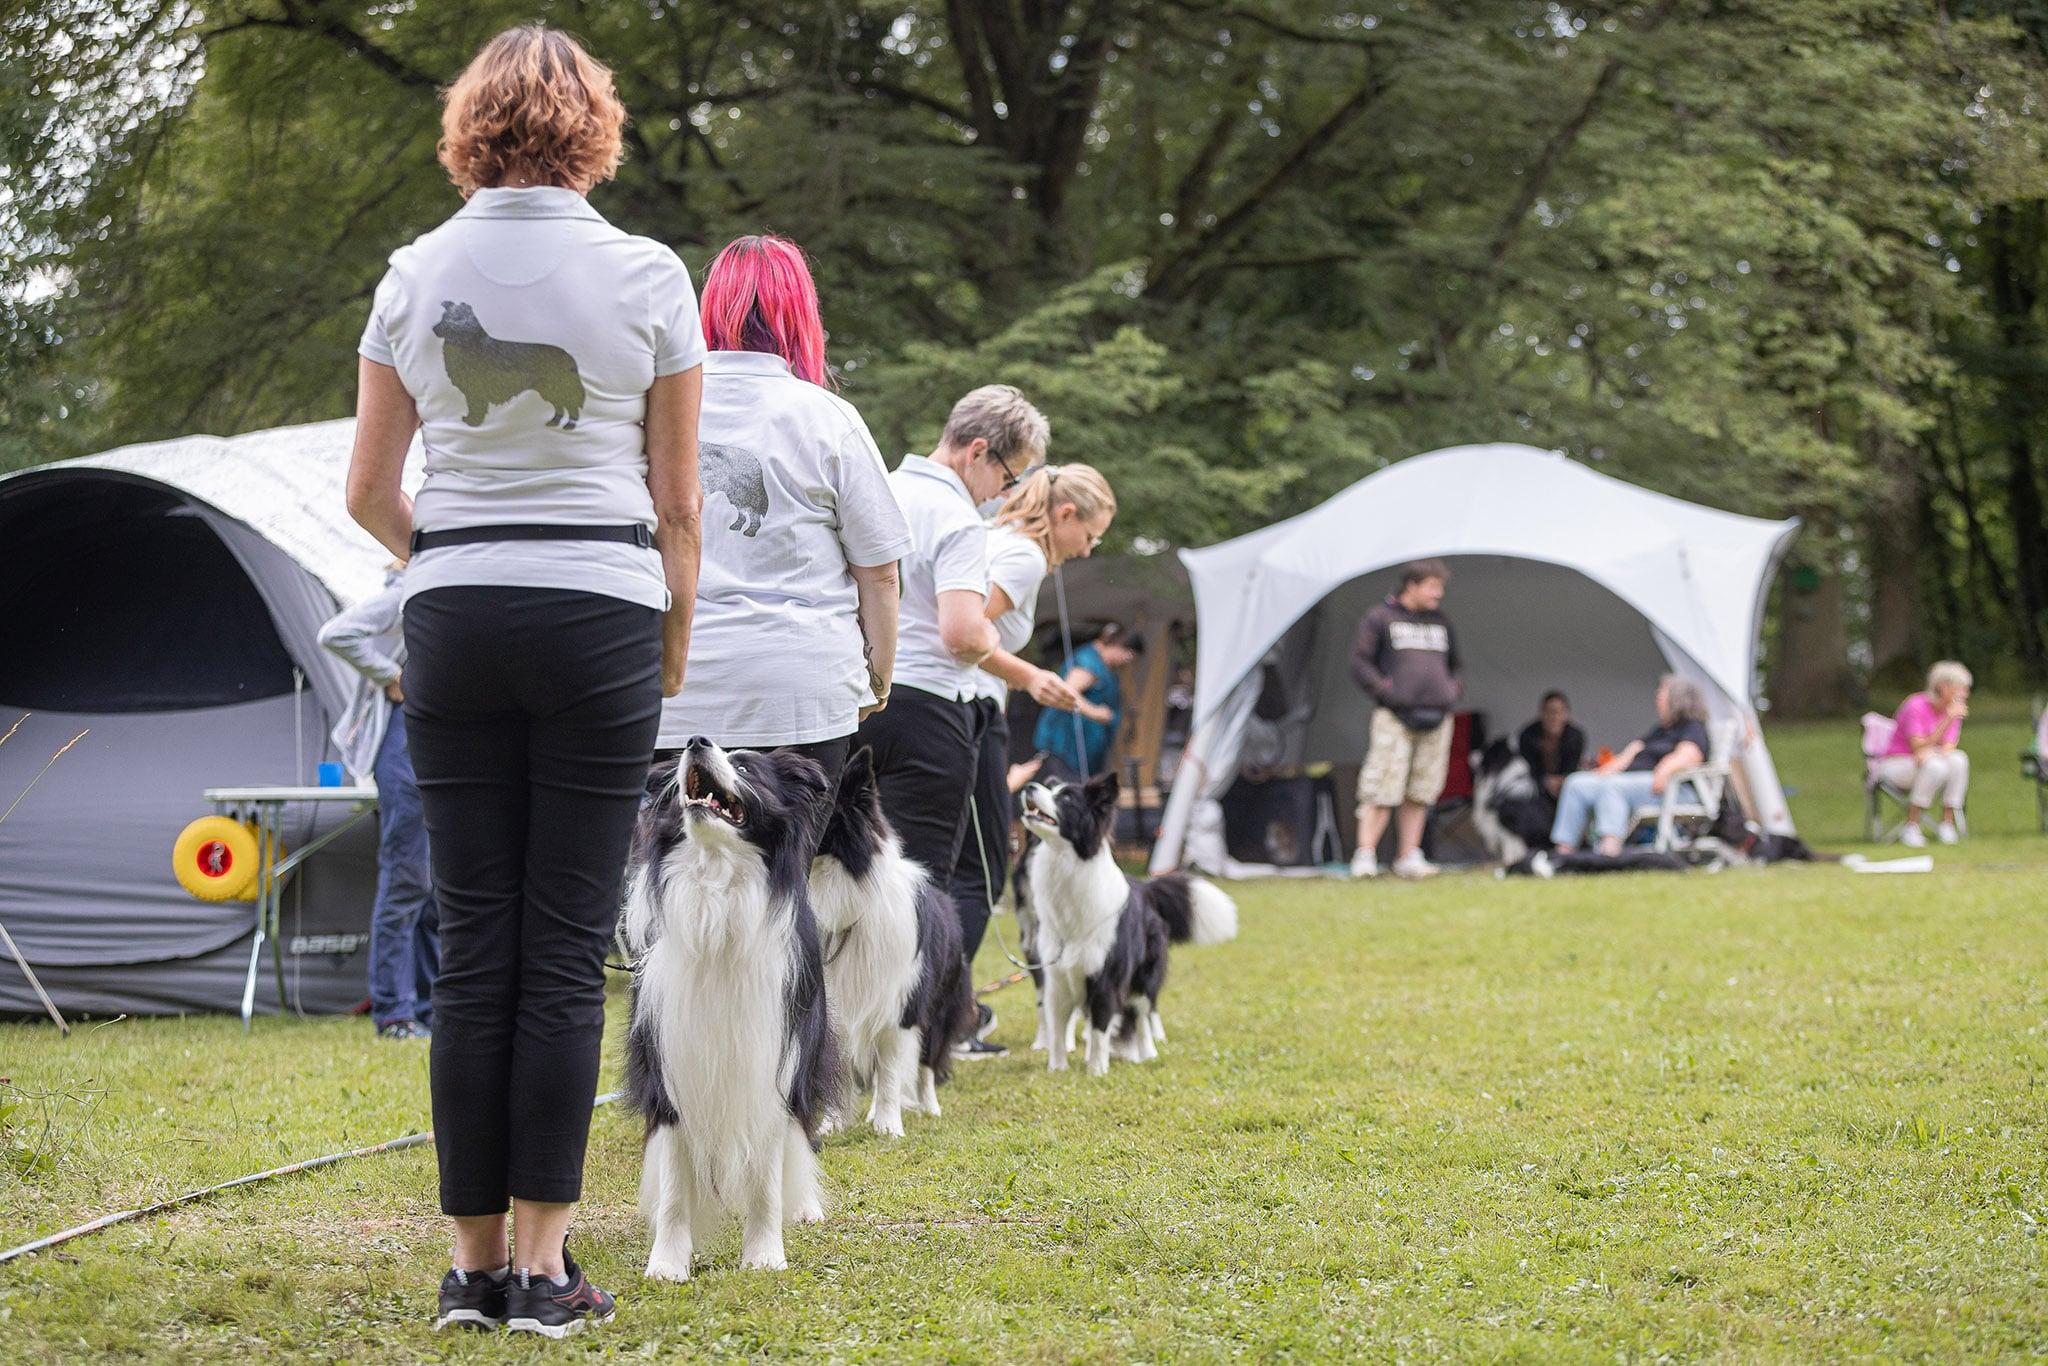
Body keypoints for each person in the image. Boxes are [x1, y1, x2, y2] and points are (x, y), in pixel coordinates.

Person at [344, 26, 702, 1335]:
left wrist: (453, 555)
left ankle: (468, 1265)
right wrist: (667, 651)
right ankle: (544, 1272)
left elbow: (370, 492)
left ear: (470, 129)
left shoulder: (411, 274)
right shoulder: (649, 272)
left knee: (476, 939)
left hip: (455, 611)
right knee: (561, 951)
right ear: (595, 129)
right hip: (603, 610)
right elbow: (678, 508)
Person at [651, 235, 910, 794]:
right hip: (797, 697)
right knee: (784, 878)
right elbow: (881, 572)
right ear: (801, 314)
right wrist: (878, 680)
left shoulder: (657, 410)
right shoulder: (828, 417)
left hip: (672, 689)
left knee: (664, 876)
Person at [856, 384, 1050, 1060]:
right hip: (930, 709)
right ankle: (916, 1050)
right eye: (1007, 473)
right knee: (926, 886)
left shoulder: (876, 484)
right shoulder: (956, 516)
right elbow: (964, 633)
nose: (1004, 492)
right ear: (977, 452)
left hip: (856, 703)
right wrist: (1021, 673)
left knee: (852, 875)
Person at [953, 467, 1111, 1044]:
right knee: (982, 869)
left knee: (956, 865)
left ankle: (945, 1007)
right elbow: (962, 631)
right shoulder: (1021, 556)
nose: (1088, 550)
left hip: (962, 708)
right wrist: (1031, 678)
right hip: (967, 711)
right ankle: (951, 1015)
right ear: (1065, 516)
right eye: (1090, 537)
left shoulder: (991, 536)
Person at [319, 563, 439, 1041]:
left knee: (434, 888)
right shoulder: (408, 588)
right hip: (402, 741)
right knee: (407, 877)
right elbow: (337, 633)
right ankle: (393, 1011)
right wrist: (392, 674)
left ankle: (429, 1009)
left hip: (433, 737)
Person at [1349, 560, 1462, 880]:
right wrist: (1386, 691)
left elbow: (1457, 664)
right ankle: (1365, 854)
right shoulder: (1380, 618)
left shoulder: (1441, 623)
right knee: (1382, 785)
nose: (1438, 593)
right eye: (1432, 586)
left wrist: (1452, 691)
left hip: (1437, 718)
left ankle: (1408, 855)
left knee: (1421, 790)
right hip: (1394, 718)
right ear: (1411, 585)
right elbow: (1360, 663)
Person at [1550, 675, 1710, 857]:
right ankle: (1562, 853)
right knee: (1576, 784)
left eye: (1662, 694)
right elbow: (1633, 750)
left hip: (1672, 790)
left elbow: (1689, 755)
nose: (1657, 698)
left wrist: (1664, 771)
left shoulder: (1692, 727)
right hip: (1639, 784)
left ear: (1677, 699)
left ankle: (1609, 850)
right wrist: (1607, 770)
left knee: (1613, 786)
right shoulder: (1661, 730)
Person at [1875, 660, 1973, 847]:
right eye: (1961, 688)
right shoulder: (1916, 705)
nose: (1965, 694)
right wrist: (1947, 719)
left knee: (1959, 760)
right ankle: (1911, 826)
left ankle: (1947, 823)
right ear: (1943, 687)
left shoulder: (1952, 710)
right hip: (1897, 763)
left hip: (1929, 761)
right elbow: (1917, 745)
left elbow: (1949, 746)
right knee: (1934, 766)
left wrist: (1933, 752)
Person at [1033, 623, 1143, 782]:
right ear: (1118, 645)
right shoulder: (1089, 662)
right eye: (1129, 655)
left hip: (1081, 755)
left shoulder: (1102, 665)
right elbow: (1066, 692)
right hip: (1064, 749)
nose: (1127, 661)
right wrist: (1095, 712)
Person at [1515, 689, 1586, 832]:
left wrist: (1561, 780)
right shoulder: (1528, 736)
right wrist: (1545, 781)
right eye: (1550, 712)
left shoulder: (1575, 736)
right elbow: (1528, 767)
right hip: (1534, 787)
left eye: (1559, 712)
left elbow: (1571, 766)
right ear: (1541, 713)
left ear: (1566, 714)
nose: (1554, 717)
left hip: (1565, 784)